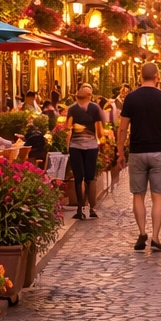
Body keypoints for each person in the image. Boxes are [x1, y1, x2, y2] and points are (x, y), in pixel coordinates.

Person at [118, 62, 161, 252]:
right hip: (158, 150)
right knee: (158, 197)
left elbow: (122, 127)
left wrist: (120, 150)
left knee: (138, 195)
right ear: (157, 76)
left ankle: (142, 232)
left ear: (140, 76)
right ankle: (156, 237)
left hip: (136, 151)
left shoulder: (130, 98)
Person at [66, 84, 107, 221]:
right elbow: (100, 130)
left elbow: (68, 129)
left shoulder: (71, 109)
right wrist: (101, 139)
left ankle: (80, 208)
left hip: (76, 146)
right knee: (90, 177)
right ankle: (92, 208)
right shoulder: (95, 108)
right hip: (91, 146)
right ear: (89, 97)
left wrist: (68, 146)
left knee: (79, 177)